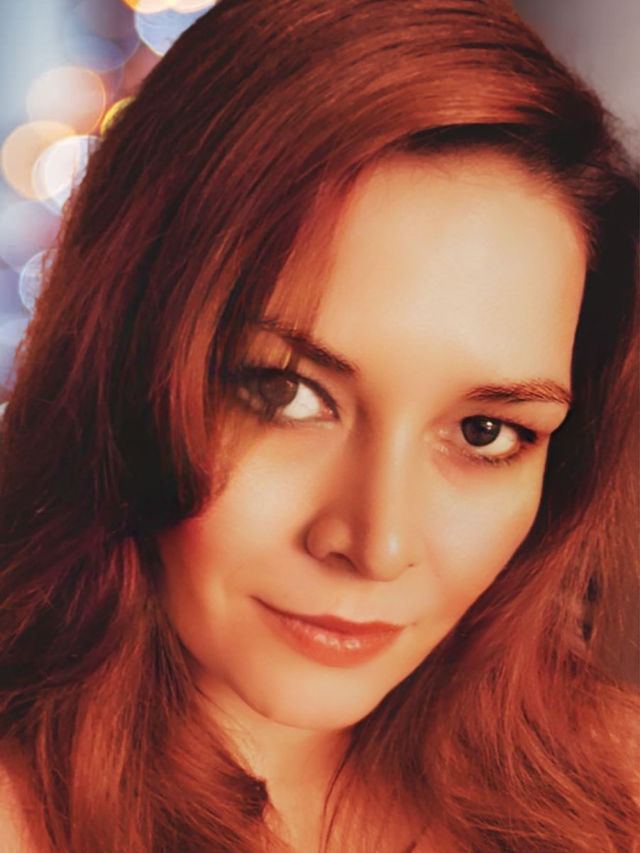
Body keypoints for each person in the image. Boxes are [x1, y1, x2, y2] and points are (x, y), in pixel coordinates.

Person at [0, 1, 637, 851]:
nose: (378, 543)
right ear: (121, 359)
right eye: (285, 392)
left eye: (486, 431)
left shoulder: (615, 786)